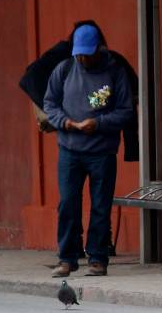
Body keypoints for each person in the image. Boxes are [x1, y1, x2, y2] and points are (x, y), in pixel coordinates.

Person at [44, 24, 134, 277]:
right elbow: (49, 103)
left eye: (87, 53)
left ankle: (97, 258)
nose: (82, 58)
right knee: (68, 203)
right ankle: (67, 258)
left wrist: (99, 123)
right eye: (78, 53)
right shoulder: (65, 69)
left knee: (100, 206)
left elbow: (126, 112)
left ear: (99, 49)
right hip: (69, 150)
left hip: (102, 151)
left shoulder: (114, 71)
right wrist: (65, 122)